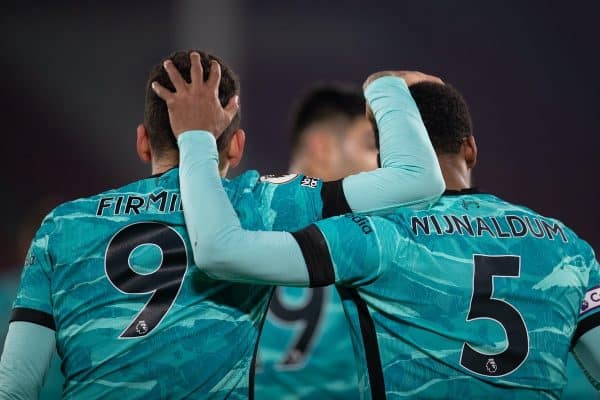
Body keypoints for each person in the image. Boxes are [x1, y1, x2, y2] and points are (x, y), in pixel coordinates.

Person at [0, 51, 444, 399]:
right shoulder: (259, 202)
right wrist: (387, 88)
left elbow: (16, 383)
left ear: (141, 141)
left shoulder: (61, 225)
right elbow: (418, 180)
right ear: (236, 147)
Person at [170, 72, 600, 398]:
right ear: (470, 148)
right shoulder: (568, 246)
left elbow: (223, 250)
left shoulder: (376, 237)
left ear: (386, 154)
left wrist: (195, 141)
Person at [256, 85, 373, 399]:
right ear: (322, 147)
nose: (382, 161)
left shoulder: (235, 220)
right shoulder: (369, 240)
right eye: (371, 144)